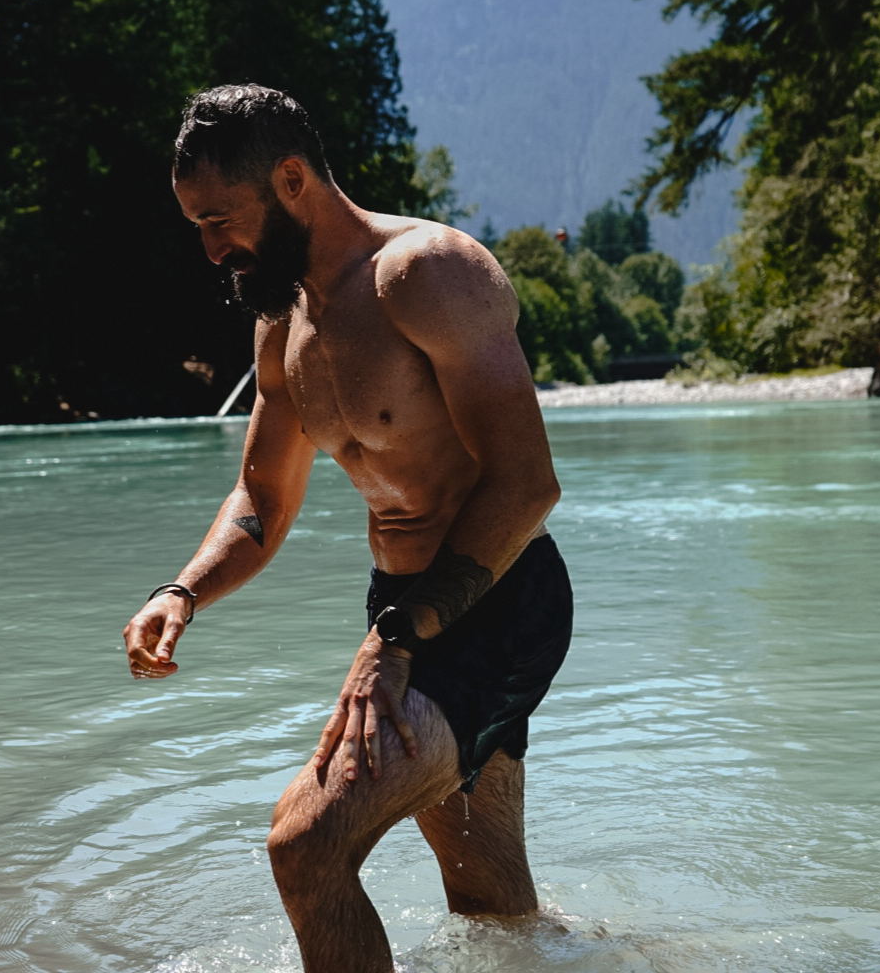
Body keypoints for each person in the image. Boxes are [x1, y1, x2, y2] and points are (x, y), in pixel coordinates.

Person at [122, 84, 573, 973]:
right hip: (402, 607)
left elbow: (526, 485)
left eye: (220, 220)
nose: (211, 249)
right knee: (486, 897)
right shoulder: (283, 321)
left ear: (292, 179)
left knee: (305, 847)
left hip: (495, 599)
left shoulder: (428, 272)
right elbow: (262, 501)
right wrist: (183, 590)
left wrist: (401, 636)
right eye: (197, 227)